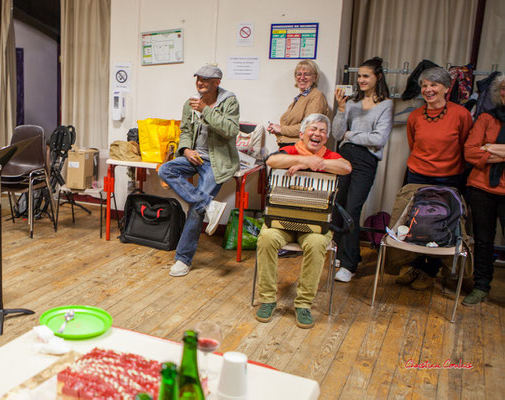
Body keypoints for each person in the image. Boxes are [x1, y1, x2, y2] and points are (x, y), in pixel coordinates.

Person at [254, 113, 352, 329]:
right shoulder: (291, 150)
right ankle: (268, 300)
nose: (317, 134)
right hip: (282, 223)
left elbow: (346, 168)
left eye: (322, 131)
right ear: (302, 134)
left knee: (317, 244)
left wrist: (318, 163)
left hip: (315, 227)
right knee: (267, 238)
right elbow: (272, 160)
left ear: (326, 138)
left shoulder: (331, 156)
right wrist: (303, 160)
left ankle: (303, 304)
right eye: (313, 129)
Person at [395, 67, 473, 291]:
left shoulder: (461, 114)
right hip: (417, 175)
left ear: (446, 88)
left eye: (434, 85)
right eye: (425, 85)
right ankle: (417, 267)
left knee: (441, 226)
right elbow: (414, 145)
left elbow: (465, 147)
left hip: (448, 179)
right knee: (415, 223)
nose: (428, 90)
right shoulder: (415, 115)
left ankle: (431, 271)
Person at [158, 64, 240, 277]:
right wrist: (185, 150)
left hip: (216, 160)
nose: (200, 83)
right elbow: (185, 130)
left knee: (195, 209)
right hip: (194, 158)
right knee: (166, 170)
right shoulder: (189, 103)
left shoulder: (229, 101)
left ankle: (183, 259)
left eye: (205, 80)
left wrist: (206, 111)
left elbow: (230, 131)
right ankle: (209, 205)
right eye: (198, 79)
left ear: (217, 83)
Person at [330, 57, 393, 282]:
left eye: (366, 76)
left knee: (353, 208)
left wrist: (351, 135)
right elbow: (337, 134)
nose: (361, 80)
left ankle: (349, 265)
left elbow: (378, 138)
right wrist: (341, 109)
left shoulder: (385, 104)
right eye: (359, 76)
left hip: (366, 160)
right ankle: (347, 254)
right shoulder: (353, 104)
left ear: (378, 77)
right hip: (345, 156)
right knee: (338, 205)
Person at [462, 74, 505, 305]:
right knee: (483, 240)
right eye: (504, 89)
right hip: (481, 188)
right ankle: (481, 287)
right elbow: (470, 152)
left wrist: (489, 148)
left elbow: (480, 151)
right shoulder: (487, 118)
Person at [267, 60, 331, 147]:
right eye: (299, 74)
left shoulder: (316, 96)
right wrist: (276, 130)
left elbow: (309, 127)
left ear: (315, 77)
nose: (302, 77)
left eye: (307, 74)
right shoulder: (301, 97)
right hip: (290, 146)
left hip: (301, 148)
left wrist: (281, 129)